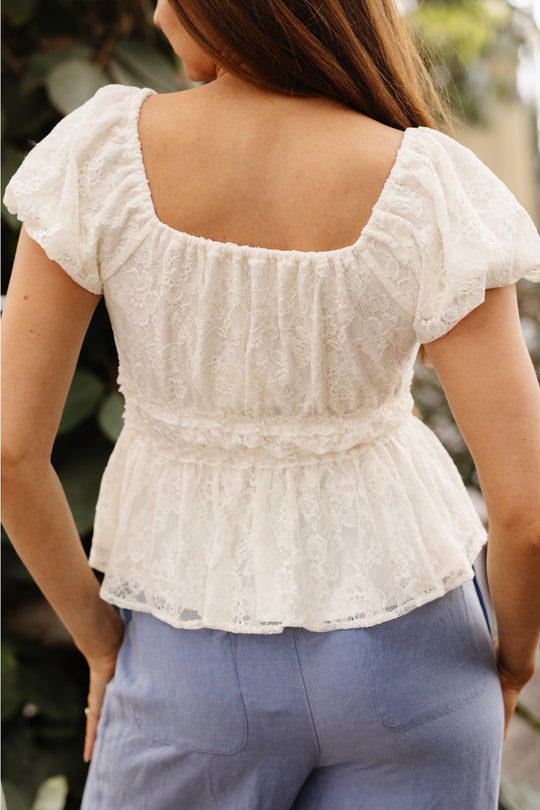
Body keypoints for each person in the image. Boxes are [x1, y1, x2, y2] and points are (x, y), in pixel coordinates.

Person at [2, 0, 540, 807]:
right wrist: (513, 659)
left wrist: (101, 645)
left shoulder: (102, 155)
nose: (154, 12)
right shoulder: (427, 180)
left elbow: (10, 453)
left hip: (187, 660)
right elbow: (527, 506)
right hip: (418, 657)